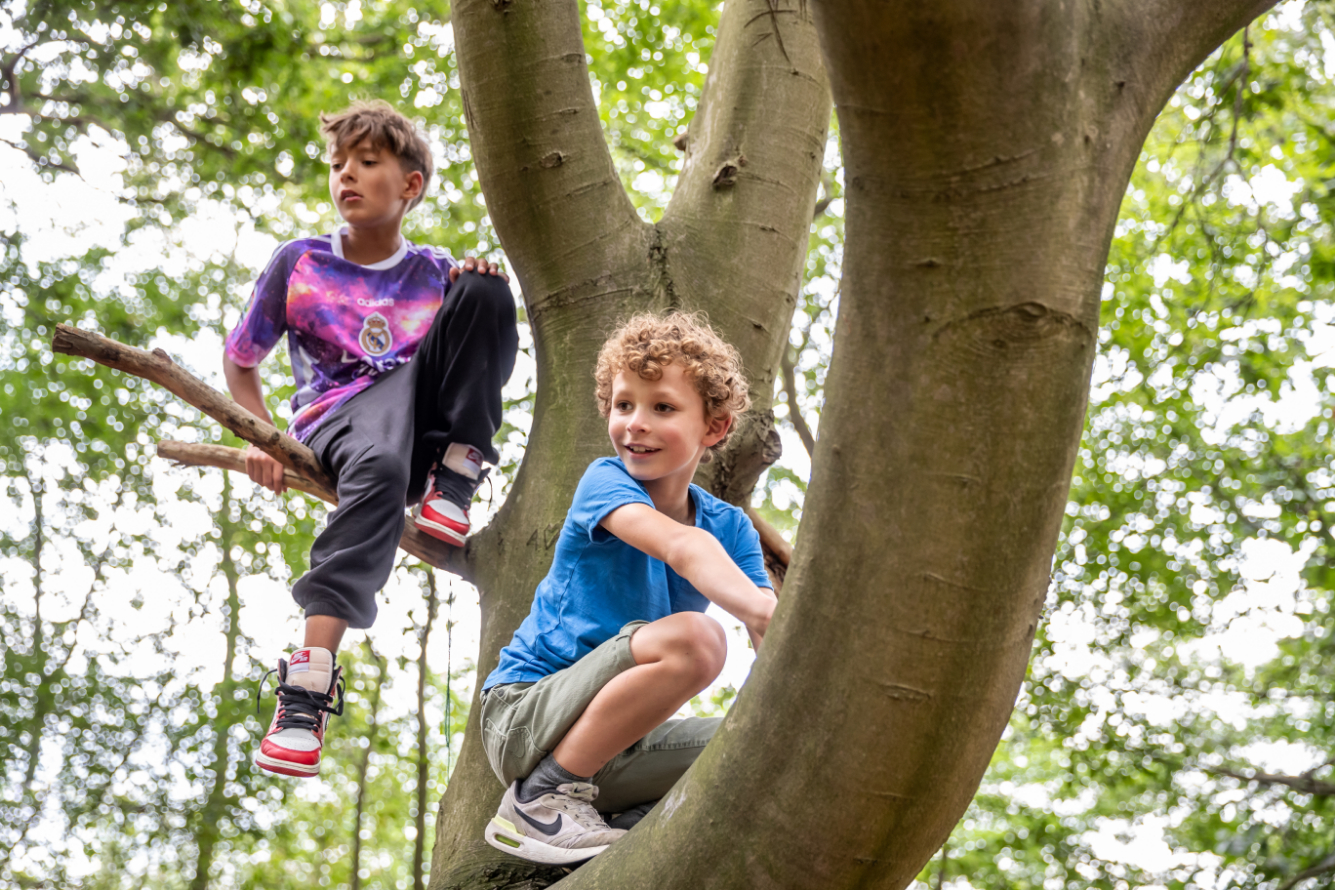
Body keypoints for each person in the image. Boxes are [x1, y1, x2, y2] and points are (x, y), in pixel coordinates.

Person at [222, 100, 518, 778]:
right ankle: (306, 685)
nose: (345, 176)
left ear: (409, 185)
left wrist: (475, 284)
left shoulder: (433, 272)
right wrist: (265, 438)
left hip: (422, 430)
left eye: (366, 162)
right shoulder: (299, 264)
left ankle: (457, 477)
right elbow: (241, 359)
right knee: (381, 464)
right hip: (342, 425)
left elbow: (468, 351)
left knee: (485, 288)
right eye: (337, 165)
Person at [478, 312, 777, 864]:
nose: (635, 423)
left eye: (661, 407)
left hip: (618, 748)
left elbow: (773, 643)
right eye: (623, 405)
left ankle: (623, 835)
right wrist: (763, 611)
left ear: (713, 428)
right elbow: (684, 550)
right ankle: (539, 799)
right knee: (697, 639)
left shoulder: (730, 527)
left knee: (774, 749)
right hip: (523, 717)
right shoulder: (605, 482)